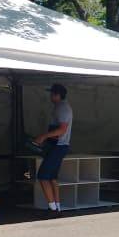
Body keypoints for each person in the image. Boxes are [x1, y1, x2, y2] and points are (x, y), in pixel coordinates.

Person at [34, 83, 73, 212]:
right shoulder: (60, 107)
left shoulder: (62, 108)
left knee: (43, 176)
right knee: (52, 178)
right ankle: (57, 208)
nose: (50, 96)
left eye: (52, 94)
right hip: (57, 146)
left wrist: (43, 136)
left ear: (57, 95)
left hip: (58, 146)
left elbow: (62, 129)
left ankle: (52, 209)